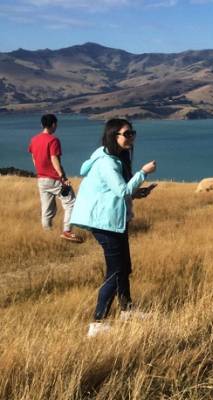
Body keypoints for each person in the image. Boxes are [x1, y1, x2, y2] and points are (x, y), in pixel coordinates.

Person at [69, 119, 157, 338]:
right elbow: (122, 191)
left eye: (132, 133)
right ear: (113, 136)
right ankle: (97, 323)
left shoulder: (112, 157)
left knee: (123, 267)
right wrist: (143, 173)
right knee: (116, 270)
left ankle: (127, 310)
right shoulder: (107, 162)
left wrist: (139, 192)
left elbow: (118, 191)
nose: (131, 137)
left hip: (113, 220)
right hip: (104, 222)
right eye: (127, 134)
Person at [28, 114, 82, 242]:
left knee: (47, 209)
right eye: (56, 124)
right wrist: (62, 176)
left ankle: (47, 234)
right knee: (71, 203)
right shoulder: (53, 140)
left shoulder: (34, 139)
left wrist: (39, 170)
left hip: (41, 179)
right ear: (53, 124)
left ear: (42, 125)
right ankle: (67, 232)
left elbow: (34, 157)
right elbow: (54, 158)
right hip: (54, 179)